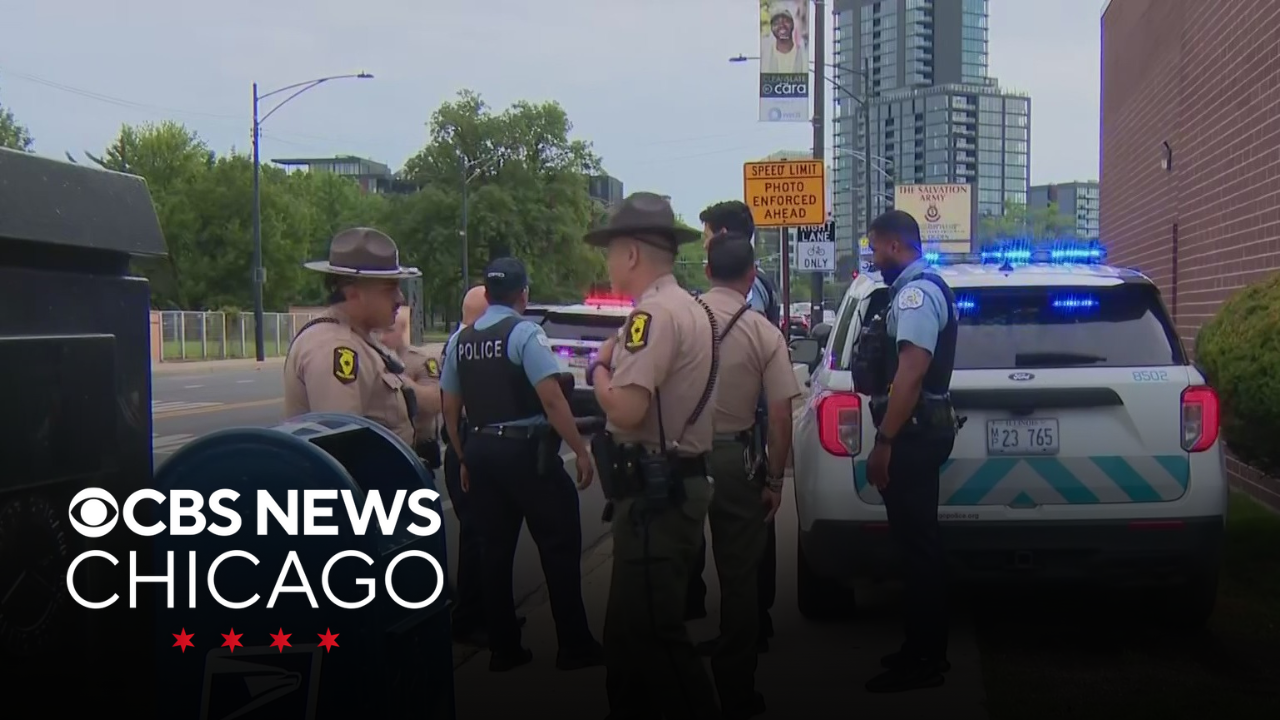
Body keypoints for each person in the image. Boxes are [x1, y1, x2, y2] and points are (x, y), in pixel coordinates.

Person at [583, 192, 722, 719]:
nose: (608, 263)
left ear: (632, 254)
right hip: (671, 488)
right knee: (628, 640)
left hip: (655, 499)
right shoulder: (689, 307)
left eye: (610, 251)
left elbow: (627, 409)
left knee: (652, 639)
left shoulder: (653, 315)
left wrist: (598, 372)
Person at [439, 257, 603, 673]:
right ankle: (574, 645)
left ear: (487, 293)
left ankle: (504, 649)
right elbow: (552, 399)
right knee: (559, 543)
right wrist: (580, 450)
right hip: (525, 453)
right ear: (523, 294)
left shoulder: (460, 341)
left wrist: (462, 455)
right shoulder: (524, 333)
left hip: (480, 448)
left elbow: (450, 408)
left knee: (493, 551)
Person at [695, 232, 800, 719]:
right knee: (739, 579)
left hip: (676, 458)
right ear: (752, 275)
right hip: (733, 459)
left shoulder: (678, 321)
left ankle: (661, 686)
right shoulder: (764, 333)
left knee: (664, 575)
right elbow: (779, 417)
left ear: (706, 271)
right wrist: (775, 481)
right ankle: (736, 691)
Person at [856, 210, 959, 693]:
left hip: (911, 436)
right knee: (916, 546)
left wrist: (884, 442)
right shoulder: (913, 290)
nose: (874, 258)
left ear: (895, 245)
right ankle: (921, 647)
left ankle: (924, 660)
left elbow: (911, 373)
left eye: (876, 248)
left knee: (918, 551)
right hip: (915, 434)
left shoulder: (916, 295)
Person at [688, 201, 780, 650]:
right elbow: (780, 407)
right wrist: (775, 477)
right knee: (741, 551)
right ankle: (743, 645)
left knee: (716, 547)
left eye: (707, 233)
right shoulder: (761, 312)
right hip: (739, 441)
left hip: (705, 443)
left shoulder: (688, 315)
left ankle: (743, 627)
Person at [283, 227, 435, 448]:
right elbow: (340, 445)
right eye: (389, 289)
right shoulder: (337, 346)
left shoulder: (358, 338)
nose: (400, 298)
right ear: (353, 293)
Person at [439, 284, 501, 645]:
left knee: (483, 534)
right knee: (477, 535)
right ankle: (468, 619)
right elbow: (453, 407)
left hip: (466, 441)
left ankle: (487, 613)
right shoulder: (466, 344)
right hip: (466, 440)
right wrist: (463, 455)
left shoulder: (462, 341)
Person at [760, 6, 807, 76]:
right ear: (772, 28)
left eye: (786, 21)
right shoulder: (765, 54)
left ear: (792, 25)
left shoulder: (804, 53)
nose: (781, 25)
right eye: (776, 23)